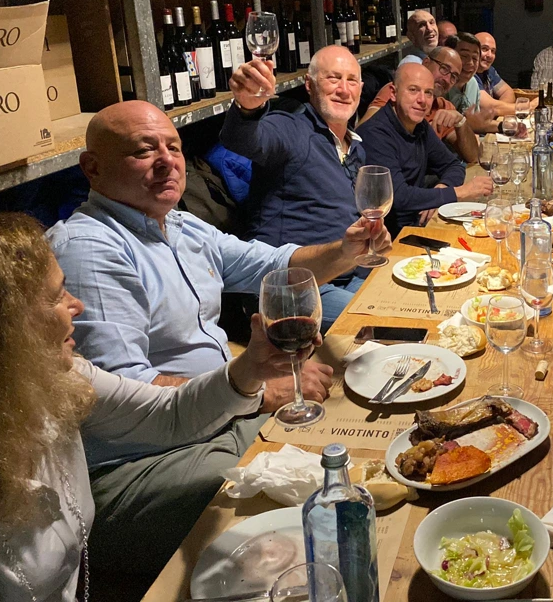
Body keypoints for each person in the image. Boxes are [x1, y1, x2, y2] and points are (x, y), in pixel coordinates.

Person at [47, 100, 381, 584]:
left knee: (341, 445)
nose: (167, 161)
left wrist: (347, 250)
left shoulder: (180, 225)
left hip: (217, 414)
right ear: (92, 168)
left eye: (173, 147)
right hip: (144, 460)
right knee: (292, 511)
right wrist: (257, 392)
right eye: (144, 150)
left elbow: (278, 266)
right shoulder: (91, 249)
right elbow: (126, 401)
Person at [0, 212, 316, 600]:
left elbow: (169, 414)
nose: (77, 305)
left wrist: (251, 368)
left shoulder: (58, 377)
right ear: (0, 327)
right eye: (56, 297)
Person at [220, 46, 392, 328]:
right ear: (309, 85)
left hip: (348, 274)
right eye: (333, 78)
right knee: (383, 325)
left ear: (361, 89)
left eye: (351, 80)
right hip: (293, 287)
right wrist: (247, 107)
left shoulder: (355, 148)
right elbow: (243, 139)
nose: (344, 90)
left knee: (415, 303)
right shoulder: (291, 128)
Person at [360, 62, 493, 232]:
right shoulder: (375, 134)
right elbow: (398, 197)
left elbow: (452, 165)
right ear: (393, 93)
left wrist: (442, 190)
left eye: (428, 93)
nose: (422, 100)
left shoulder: (419, 125)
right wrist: (460, 192)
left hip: (418, 223)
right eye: (413, 90)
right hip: (388, 236)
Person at [362, 46, 479, 163]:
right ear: (426, 63)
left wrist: (461, 121)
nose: (447, 79)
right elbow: (365, 135)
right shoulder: (399, 93)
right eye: (444, 69)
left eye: (453, 77)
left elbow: (472, 156)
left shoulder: (444, 108)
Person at [475, 31, 518, 102]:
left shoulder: (490, 71)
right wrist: (530, 105)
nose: (489, 55)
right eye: (484, 49)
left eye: (493, 51)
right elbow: (488, 105)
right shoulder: (468, 74)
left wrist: (500, 106)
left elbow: (508, 92)